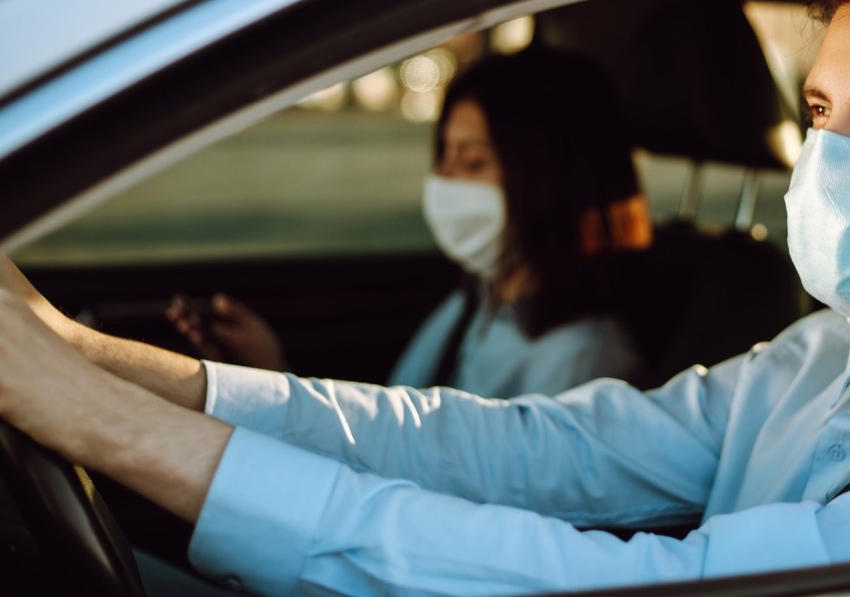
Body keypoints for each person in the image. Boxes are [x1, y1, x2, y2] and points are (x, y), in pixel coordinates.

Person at [0, 0, 850, 597]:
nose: (830, 159)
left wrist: (109, 430)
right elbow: (522, 451)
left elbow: (644, 582)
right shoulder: (825, 350)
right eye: (819, 113)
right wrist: (96, 362)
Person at [167, 48, 649, 397]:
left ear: (547, 182)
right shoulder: (473, 306)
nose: (444, 181)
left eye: (472, 162)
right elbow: (390, 443)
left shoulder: (584, 366)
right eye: (443, 156)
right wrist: (273, 376)